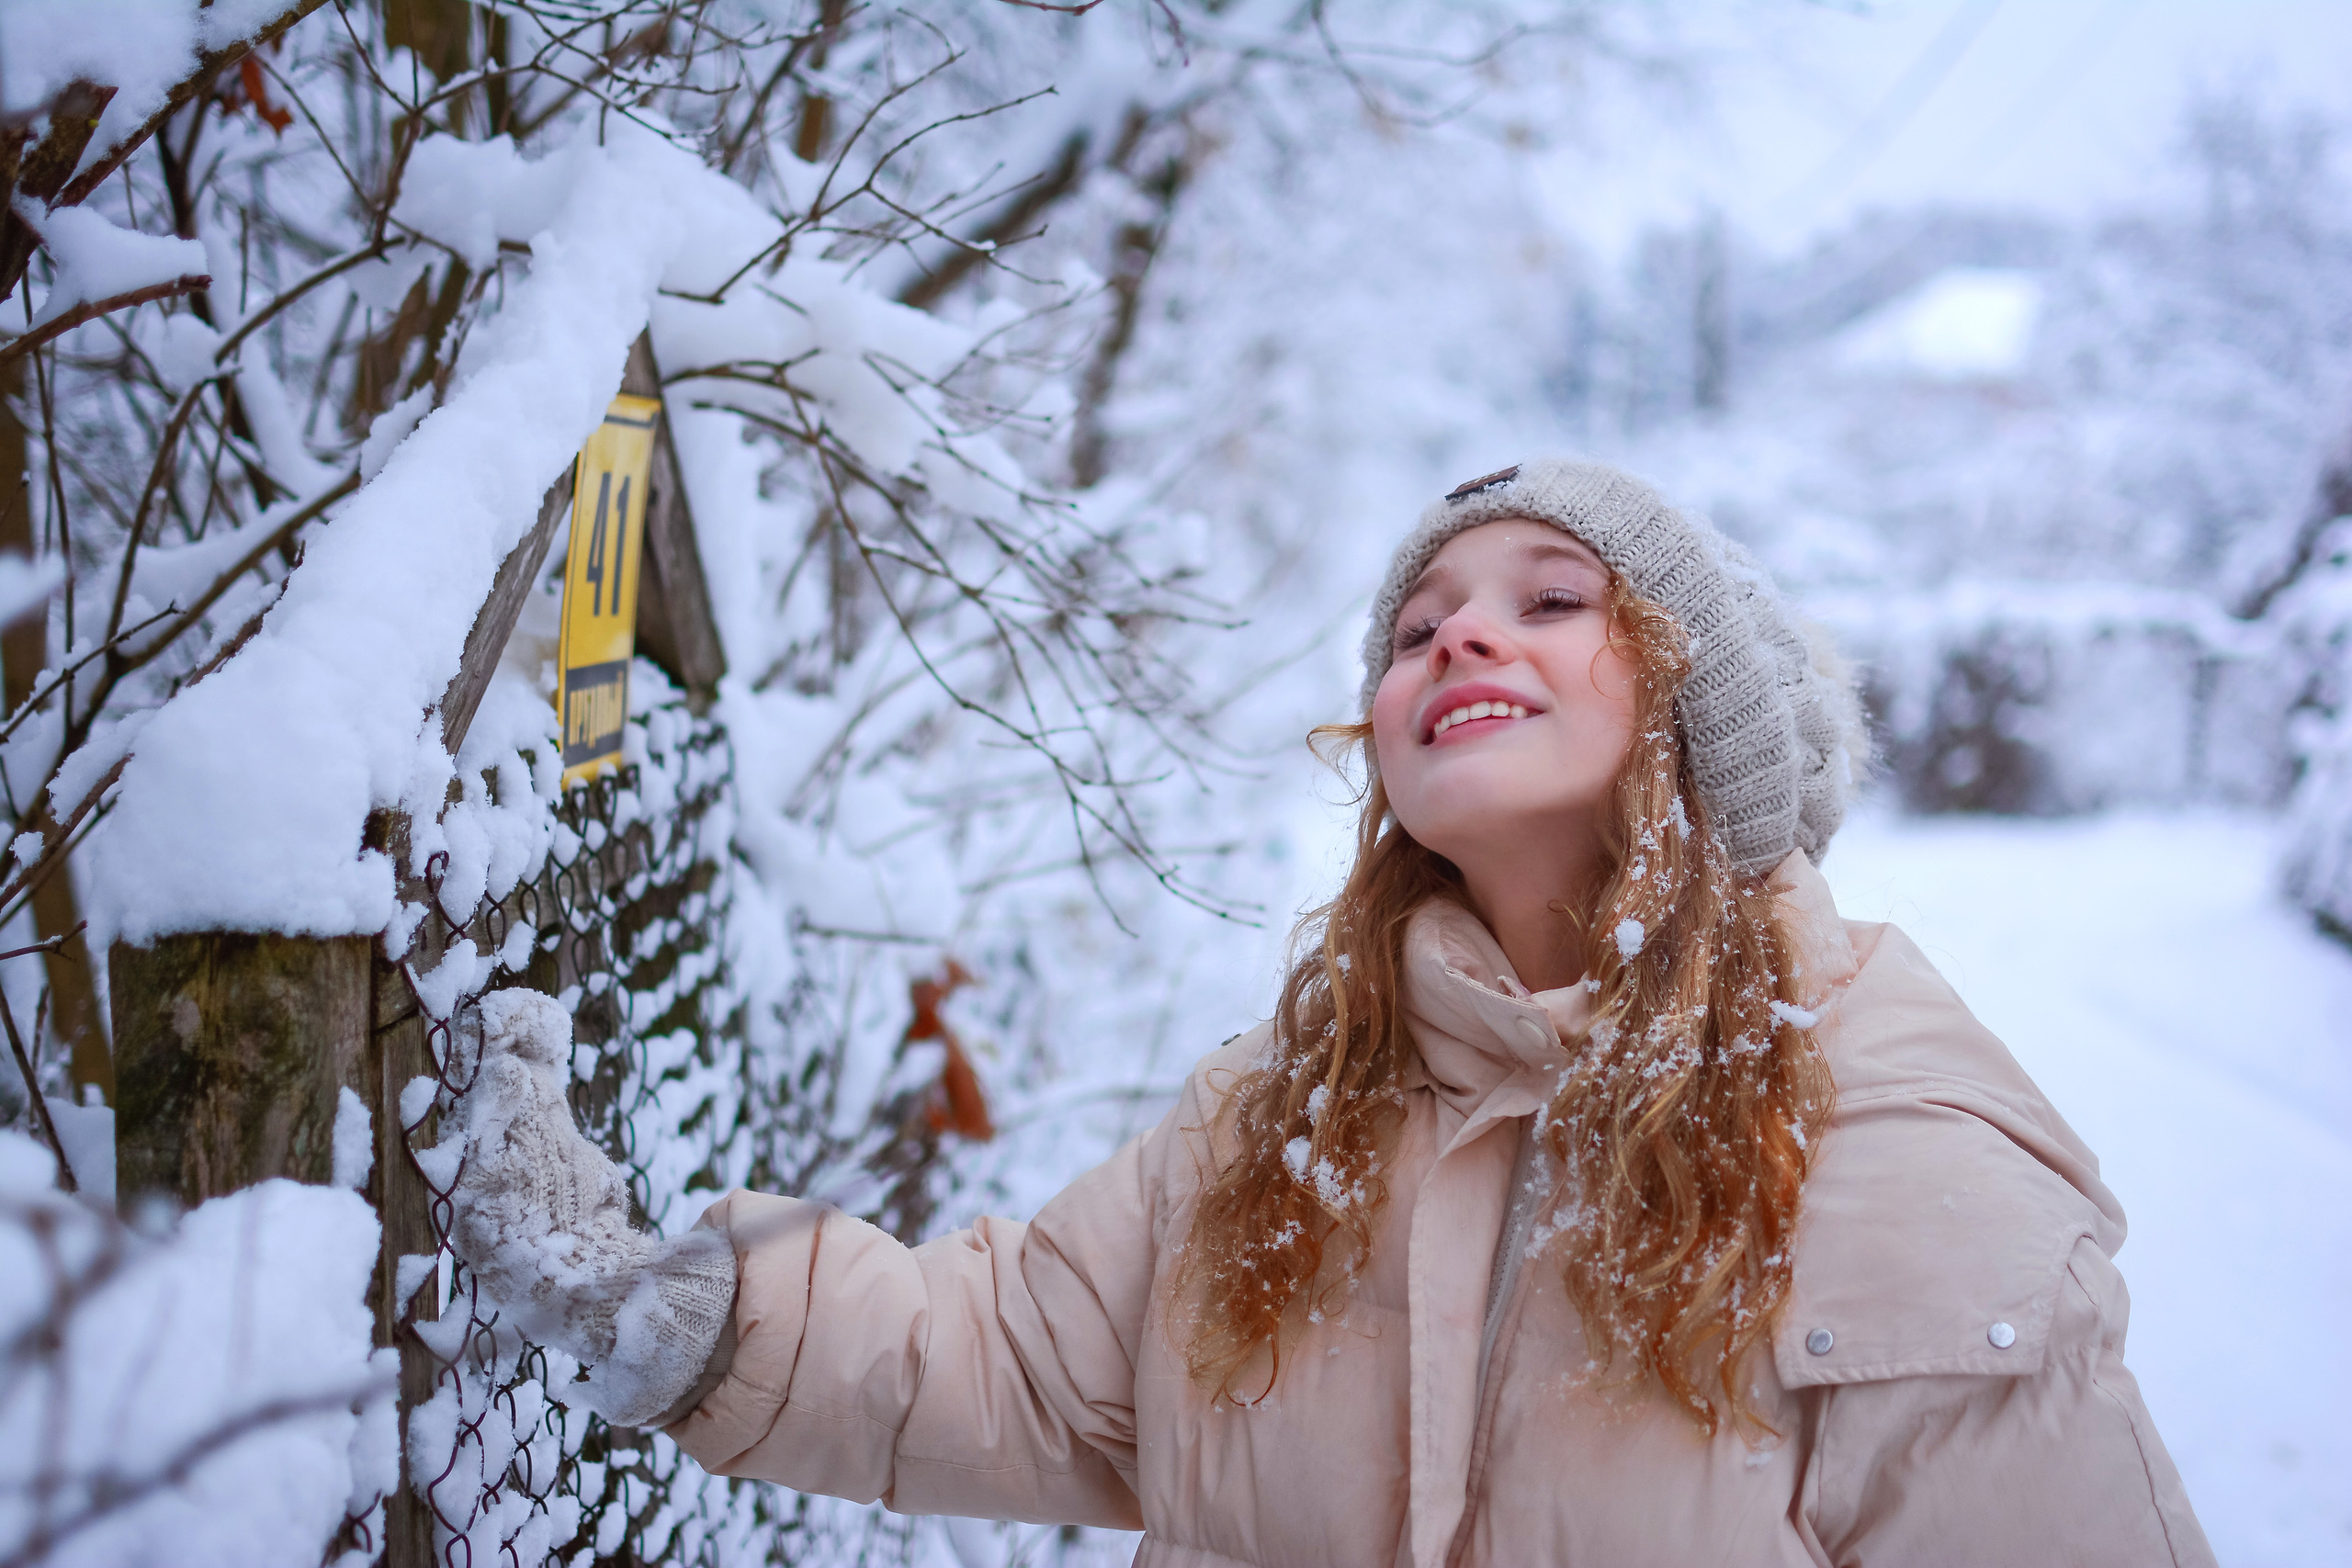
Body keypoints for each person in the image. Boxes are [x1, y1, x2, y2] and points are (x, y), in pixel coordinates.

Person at [448, 458, 2213, 1566]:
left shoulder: (1903, 1155)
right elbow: (1016, 1372)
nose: (1456, 642)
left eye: (1550, 601)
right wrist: (649, 1306)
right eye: (1419, 625)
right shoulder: (1285, 1116)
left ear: (1704, 713)